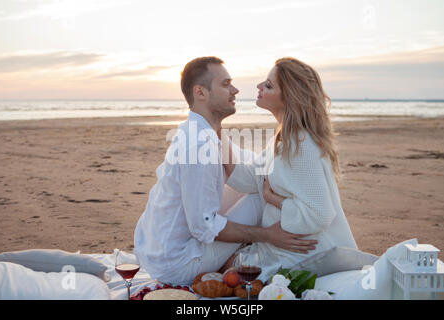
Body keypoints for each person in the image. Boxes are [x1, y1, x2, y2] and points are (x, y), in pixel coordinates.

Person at [133, 56, 317, 285]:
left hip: (155, 251)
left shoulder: (198, 130)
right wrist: (269, 235)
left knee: (256, 180)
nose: (235, 89)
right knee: (260, 192)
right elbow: (204, 226)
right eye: (225, 84)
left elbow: (246, 162)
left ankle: (247, 251)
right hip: (176, 266)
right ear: (200, 93)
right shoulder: (199, 145)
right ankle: (286, 250)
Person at [222, 57, 358, 281]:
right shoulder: (284, 137)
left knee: (225, 274)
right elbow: (248, 179)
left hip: (307, 257)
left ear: (289, 97)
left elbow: (319, 214)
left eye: (268, 85)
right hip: (283, 248)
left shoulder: (301, 145)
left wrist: (274, 200)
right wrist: (215, 132)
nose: (259, 87)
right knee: (223, 268)